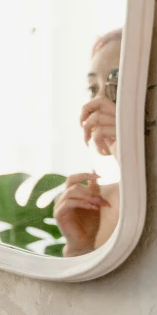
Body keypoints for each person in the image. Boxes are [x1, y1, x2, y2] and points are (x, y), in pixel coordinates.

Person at [54, 29, 121, 258]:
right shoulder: (101, 204)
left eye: (117, 84)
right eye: (93, 88)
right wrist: (80, 247)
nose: (95, 103)